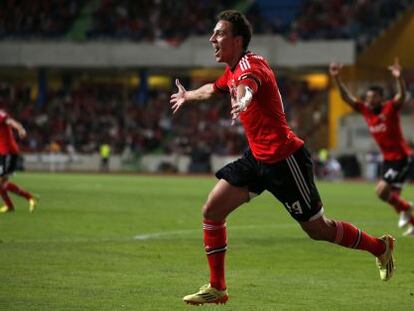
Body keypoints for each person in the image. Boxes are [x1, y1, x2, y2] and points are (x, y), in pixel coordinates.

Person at [170, 10, 395, 306]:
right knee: (212, 210)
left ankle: (380, 247)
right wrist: (188, 96)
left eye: (219, 34)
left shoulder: (252, 68)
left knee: (318, 229)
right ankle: (217, 287)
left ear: (237, 40)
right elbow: (214, 88)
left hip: (286, 161)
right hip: (257, 159)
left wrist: (244, 100)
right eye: (213, 34)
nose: (212, 39)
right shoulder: (234, 69)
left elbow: (248, 88)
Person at [330, 58, 414, 236]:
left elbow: (402, 96)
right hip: (388, 159)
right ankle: (411, 221)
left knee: (381, 190)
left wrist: (398, 78)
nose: (369, 100)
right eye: (367, 98)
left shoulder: (390, 108)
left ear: (381, 98)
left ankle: (408, 207)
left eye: (373, 97)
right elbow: (346, 97)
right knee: (390, 197)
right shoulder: (365, 110)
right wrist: (336, 78)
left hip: (401, 157)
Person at [0, 109, 38, 213]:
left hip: (8, 152)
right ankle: (10, 206)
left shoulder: (0, 114)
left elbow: (11, 121)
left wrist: (20, 129)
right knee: (2, 183)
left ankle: (30, 198)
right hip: (2, 153)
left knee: (1, 182)